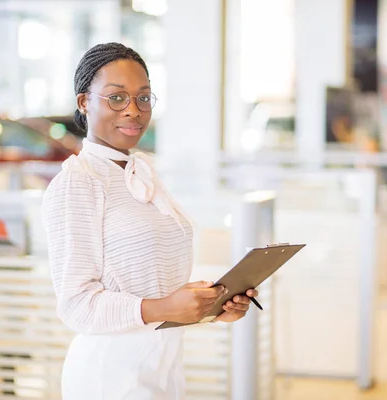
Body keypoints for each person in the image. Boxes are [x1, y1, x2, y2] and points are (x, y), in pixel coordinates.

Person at [41, 42, 258, 399]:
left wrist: (213, 307)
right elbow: (76, 305)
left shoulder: (141, 170)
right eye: (116, 98)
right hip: (109, 376)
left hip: (162, 367)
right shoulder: (78, 182)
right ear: (84, 102)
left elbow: (152, 285)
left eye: (143, 98)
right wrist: (164, 307)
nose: (133, 110)